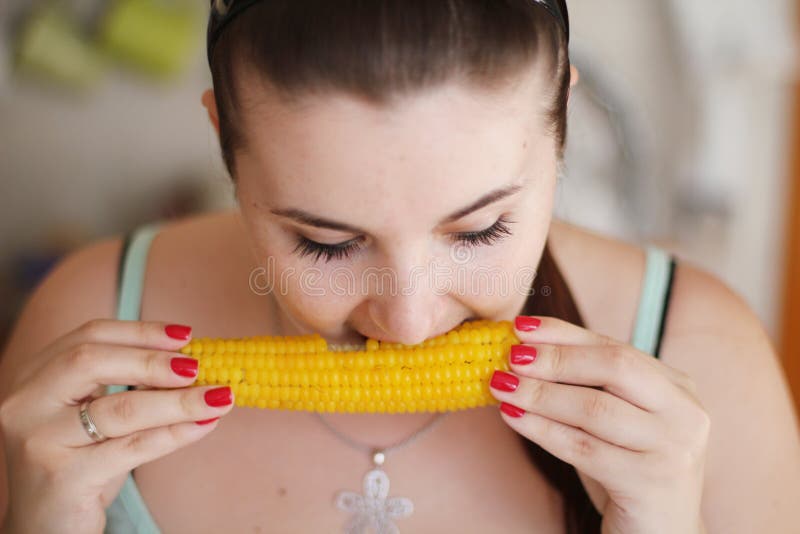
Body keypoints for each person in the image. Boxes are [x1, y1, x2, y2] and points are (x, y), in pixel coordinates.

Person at [1, 1, 799, 532]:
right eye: (326, 243)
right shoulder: (81, 322)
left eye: (482, 230)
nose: (410, 321)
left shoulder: (707, 354)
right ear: (223, 142)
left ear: (561, 126)